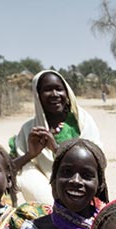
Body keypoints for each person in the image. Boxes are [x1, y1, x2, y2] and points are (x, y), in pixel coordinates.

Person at [10, 70, 103, 205]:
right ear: (38, 95)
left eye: (59, 89)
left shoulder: (81, 122)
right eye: (47, 90)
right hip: (42, 204)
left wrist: (57, 149)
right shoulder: (28, 130)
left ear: (67, 92)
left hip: (80, 192)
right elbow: (9, 170)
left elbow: (98, 160)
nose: (54, 94)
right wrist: (30, 154)